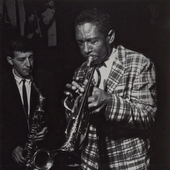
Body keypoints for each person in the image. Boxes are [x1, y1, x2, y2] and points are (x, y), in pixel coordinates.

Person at [64, 8, 157, 170]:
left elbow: (147, 116)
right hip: (90, 162)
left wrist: (109, 102)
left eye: (93, 41)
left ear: (110, 37)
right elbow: (77, 125)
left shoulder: (138, 63)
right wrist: (74, 105)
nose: (86, 50)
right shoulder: (81, 70)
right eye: (80, 42)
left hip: (127, 163)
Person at [1, 36, 65, 170]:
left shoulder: (46, 78)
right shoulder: (2, 83)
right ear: (9, 60)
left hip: (41, 151)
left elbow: (56, 115)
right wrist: (12, 147)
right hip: (12, 155)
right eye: (21, 59)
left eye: (31, 57)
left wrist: (45, 128)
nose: (28, 64)